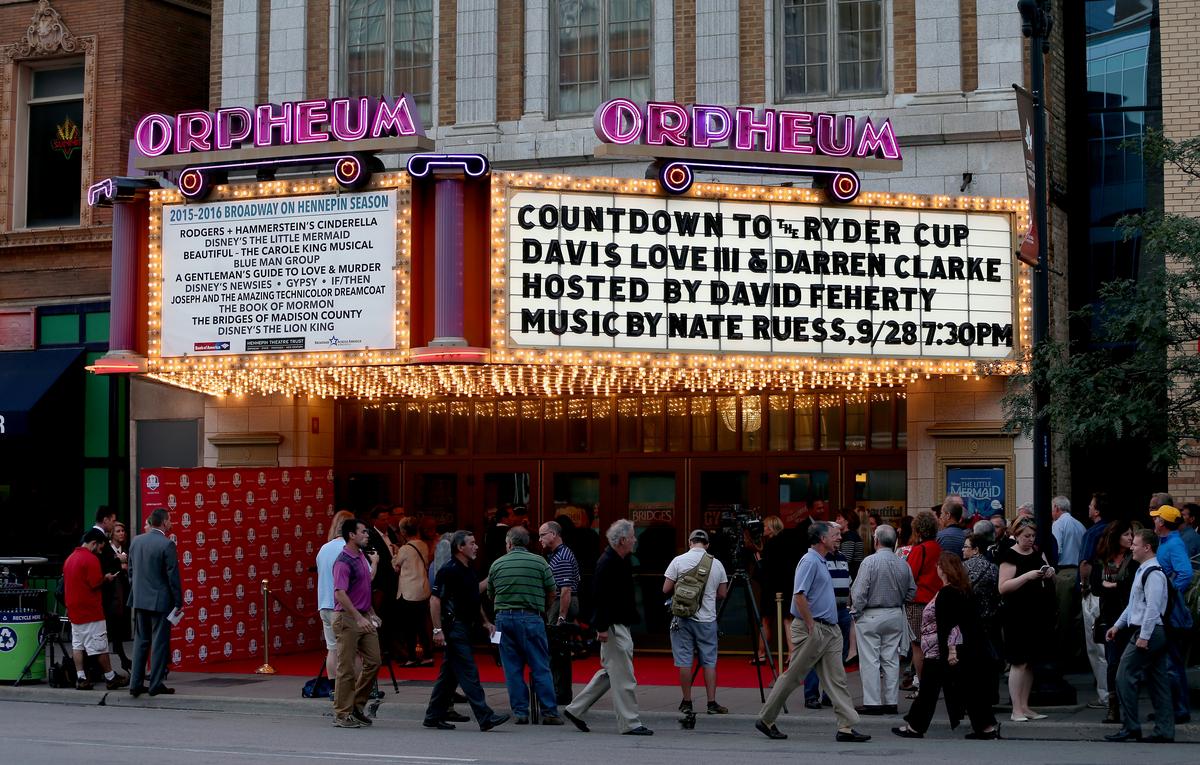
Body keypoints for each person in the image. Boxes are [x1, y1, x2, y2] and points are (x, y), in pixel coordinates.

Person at [754, 521, 871, 744]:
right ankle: (766, 719)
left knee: (837, 678)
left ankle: (845, 727)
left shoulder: (821, 560)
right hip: (815, 627)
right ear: (821, 539)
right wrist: (811, 624)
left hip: (828, 628)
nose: (839, 538)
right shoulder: (809, 561)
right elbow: (799, 595)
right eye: (835, 535)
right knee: (793, 676)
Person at [892, 553, 999, 740]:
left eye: (939, 566)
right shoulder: (962, 590)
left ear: (944, 569)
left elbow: (949, 626)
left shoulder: (948, 593)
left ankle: (915, 727)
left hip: (944, 651)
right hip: (957, 649)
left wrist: (949, 651)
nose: (937, 569)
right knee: (968, 688)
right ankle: (985, 727)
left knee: (930, 690)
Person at [563, 519, 652, 736]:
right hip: (613, 625)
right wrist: (601, 627)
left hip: (616, 623)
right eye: (632, 536)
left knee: (611, 672)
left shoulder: (618, 559)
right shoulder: (609, 562)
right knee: (624, 676)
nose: (635, 540)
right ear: (622, 540)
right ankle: (630, 723)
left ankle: (575, 710)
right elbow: (600, 598)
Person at [425, 531, 510, 732]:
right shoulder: (448, 570)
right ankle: (485, 716)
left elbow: (473, 597)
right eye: (471, 543)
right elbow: (434, 600)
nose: (476, 546)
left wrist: (485, 622)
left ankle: (433, 716)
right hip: (454, 628)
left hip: (465, 627)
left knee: (449, 676)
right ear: (460, 548)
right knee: (469, 672)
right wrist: (437, 630)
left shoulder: (468, 569)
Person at [1104, 529, 1176, 743]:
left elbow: (1153, 609)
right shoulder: (1143, 570)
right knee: (1158, 680)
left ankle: (1131, 726)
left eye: (1135, 544)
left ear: (1147, 547)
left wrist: (1144, 636)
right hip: (1153, 631)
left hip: (1149, 631)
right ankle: (1164, 730)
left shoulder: (1152, 573)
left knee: (1123, 676)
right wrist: (1118, 625)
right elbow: (1134, 605)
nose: (1131, 547)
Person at [487, 526, 563, 725]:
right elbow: (552, 591)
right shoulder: (539, 562)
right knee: (540, 665)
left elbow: (491, 594)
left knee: (512, 668)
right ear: (527, 543)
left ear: (509, 543)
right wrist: (542, 610)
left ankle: (520, 712)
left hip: (503, 619)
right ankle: (550, 712)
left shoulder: (497, 564)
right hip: (531, 617)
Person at [663, 529, 730, 716]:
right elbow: (723, 594)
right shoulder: (716, 564)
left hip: (682, 618)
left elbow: (666, 588)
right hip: (707, 619)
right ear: (707, 544)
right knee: (709, 661)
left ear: (690, 542)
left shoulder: (678, 561)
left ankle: (687, 701)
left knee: (684, 661)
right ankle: (711, 703)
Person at [851, 524, 915, 714]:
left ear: (876, 540)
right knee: (891, 659)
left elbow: (859, 592)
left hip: (871, 613)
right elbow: (912, 591)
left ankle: (872, 702)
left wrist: (857, 611)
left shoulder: (869, 562)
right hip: (894, 612)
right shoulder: (903, 563)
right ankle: (890, 701)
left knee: (870, 660)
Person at [997, 517, 1055, 721]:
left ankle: (1025, 705)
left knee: (1030, 662)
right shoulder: (1010, 555)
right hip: (1016, 614)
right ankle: (1016, 709)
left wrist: (1048, 573)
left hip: (1035, 612)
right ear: (1017, 535)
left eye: (1032, 536)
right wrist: (1027, 576)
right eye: (1026, 536)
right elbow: (1003, 587)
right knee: (1018, 661)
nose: (1030, 539)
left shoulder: (1037, 552)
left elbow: (1047, 568)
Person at [330, 518, 382, 729]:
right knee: (347, 667)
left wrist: (371, 612)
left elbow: (364, 586)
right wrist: (359, 617)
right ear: (352, 535)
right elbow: (340, 593)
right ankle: (342, 714)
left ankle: (356, 707)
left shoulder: (361, 556)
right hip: (347, 617)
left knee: (374, 661)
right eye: (363, 531)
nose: (367, 534)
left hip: (362, 615)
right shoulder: (343, 561)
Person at [64, 529, 129, 690]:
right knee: (101, 645)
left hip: (74, 610)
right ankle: (110, 676)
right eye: (100, 547)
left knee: (77, 646)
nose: (101, 550)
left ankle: (81, 677)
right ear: (94, 543)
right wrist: (106, 578)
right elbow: (95, 583)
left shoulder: (70, 558)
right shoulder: (91, 559)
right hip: (91, 610)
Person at [1147, 497, 1193, 724]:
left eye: (1156, 519)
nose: (1154, 522)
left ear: (1163, 523)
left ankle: (1179, 709)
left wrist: (1168, 592)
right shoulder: (1167, 543)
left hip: (1172, 613)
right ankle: (1170, 707)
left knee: (1171, 664)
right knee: (1167, 663)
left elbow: (1185, 573)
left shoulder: (1173, 545)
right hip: (1168, 611)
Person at [127, 508, 182, 697]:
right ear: (164, 522)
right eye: (170, 520)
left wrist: (138, 591)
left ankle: (135, 683)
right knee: (159, 642)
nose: (172, 523)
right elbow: (172, 576)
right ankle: (155, 683)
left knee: (141, 641)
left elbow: (131, 572)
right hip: (160, 601)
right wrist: (178, 601)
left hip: (140, 598)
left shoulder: (136, 541)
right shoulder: (167, 544)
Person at [1090, 519, 1138, 725]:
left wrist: (1111, 585)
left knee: (1129, 665)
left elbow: (1131, 587)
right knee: (1112, 662)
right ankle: (1113, 706)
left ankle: (1130, 707)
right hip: (1109, 617)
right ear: (1116, 537)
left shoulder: (1134, 559)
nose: (1131, 538)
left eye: (1132, 535)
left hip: (1131, 616)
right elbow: (1094, 586)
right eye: (1127, 534)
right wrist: (1103, 584)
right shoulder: (1102, 559)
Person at [317, 511, 372, 690]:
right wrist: (376, 563)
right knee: (353, 650)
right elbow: (367, 577)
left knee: (332, 649)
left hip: (324, 603)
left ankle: (334, 687)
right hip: (343, 606)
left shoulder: (324, 548)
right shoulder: (349, 550)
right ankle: (356, 686)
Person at [539, 520, 581, 704]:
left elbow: (565, 590)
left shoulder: (562, 556)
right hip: (560, 602)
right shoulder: (557, 554)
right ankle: (561, 691)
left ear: (553, 535)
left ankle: (560, 692)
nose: (540, 539)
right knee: (559, 651)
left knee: (556, 651)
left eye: (543, 535)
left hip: (561, 603)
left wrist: (561, 618)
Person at [1078, 492, 1111, 711]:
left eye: (1091, 505)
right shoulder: (1114, 529)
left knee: (1096, 645)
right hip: (1112, 590)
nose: (1089, 509)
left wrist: (1084, 586)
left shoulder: (1093, 533)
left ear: (1097, 510)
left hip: (1095, 592)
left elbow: (1085, 564)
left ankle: (1105, 694)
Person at [904, 510, 942, 691]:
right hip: (936, 600)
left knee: (918, 645)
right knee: (934, 646)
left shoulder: (919, 550)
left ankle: (924, 685)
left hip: (919, 602)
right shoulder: (938, 547)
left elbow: (908, 575)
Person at [755, 515, 796, 664]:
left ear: (771, 528)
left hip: (770, 587)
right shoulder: (788, 543)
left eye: (765, 527)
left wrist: (759, 562)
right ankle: (792, 652)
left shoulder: (770, 545)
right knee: (787, 619)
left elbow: (765, 571)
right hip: (786, 586)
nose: (762, 530)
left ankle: (761, 653)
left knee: (766, 620)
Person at [394, 515, 434, 667]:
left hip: (409, 591)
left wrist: (394, 556)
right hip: (423, 589)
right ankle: (428, 655)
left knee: (409, 626)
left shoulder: (404, 549)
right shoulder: (423, 545)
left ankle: (411, 656)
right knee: (422, 624)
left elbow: (396, 567)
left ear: (403, 532)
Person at [105, 520, 132, 672]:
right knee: (112, 626)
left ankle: (122, 656)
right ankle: (122, 659)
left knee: (118, 626)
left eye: (123, 531)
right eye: (118, 531)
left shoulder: (127, 548)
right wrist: (118, 562)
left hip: (124, 591)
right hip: (111, 593)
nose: (121, 533)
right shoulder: (108, 550)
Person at [936, 495, 968, 560]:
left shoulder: (939, 536)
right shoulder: (967, 537)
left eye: (942, 513)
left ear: (948, 515)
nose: (940, 517)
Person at [836, 509, 865, 577]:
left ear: (847, 521)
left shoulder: (849, 536)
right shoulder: (852, 535)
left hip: (851, 575)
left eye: (839, 518)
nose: (836, 521)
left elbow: (846, 559)